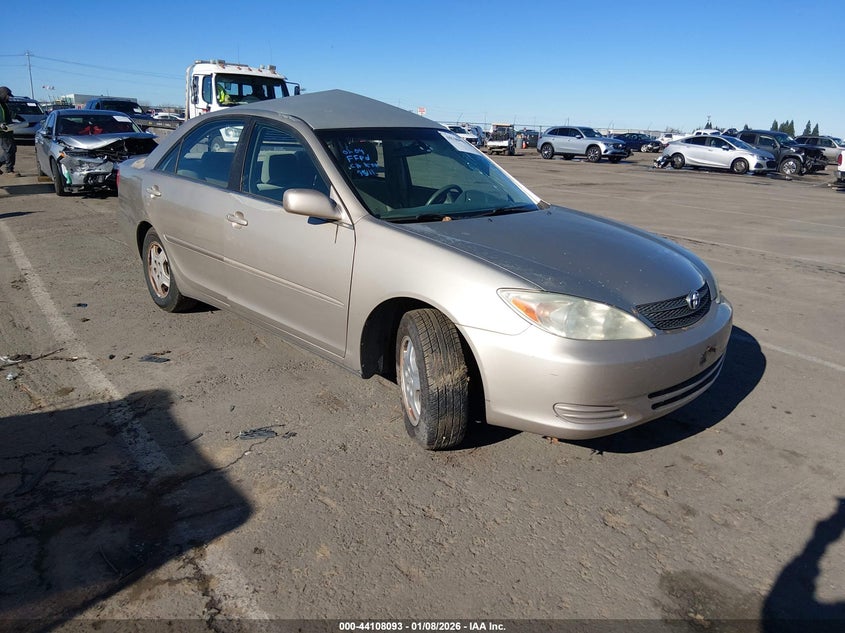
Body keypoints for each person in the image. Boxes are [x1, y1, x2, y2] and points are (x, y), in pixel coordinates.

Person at [0, 86, 19, 176]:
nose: (9, 97)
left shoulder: (4, 104)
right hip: (2, 131)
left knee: (12, 149)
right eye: (8, 95)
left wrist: (18, 117)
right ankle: (9, 169)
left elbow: (9, 114)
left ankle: (9, 168)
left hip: (8, 130)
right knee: (9, 150)